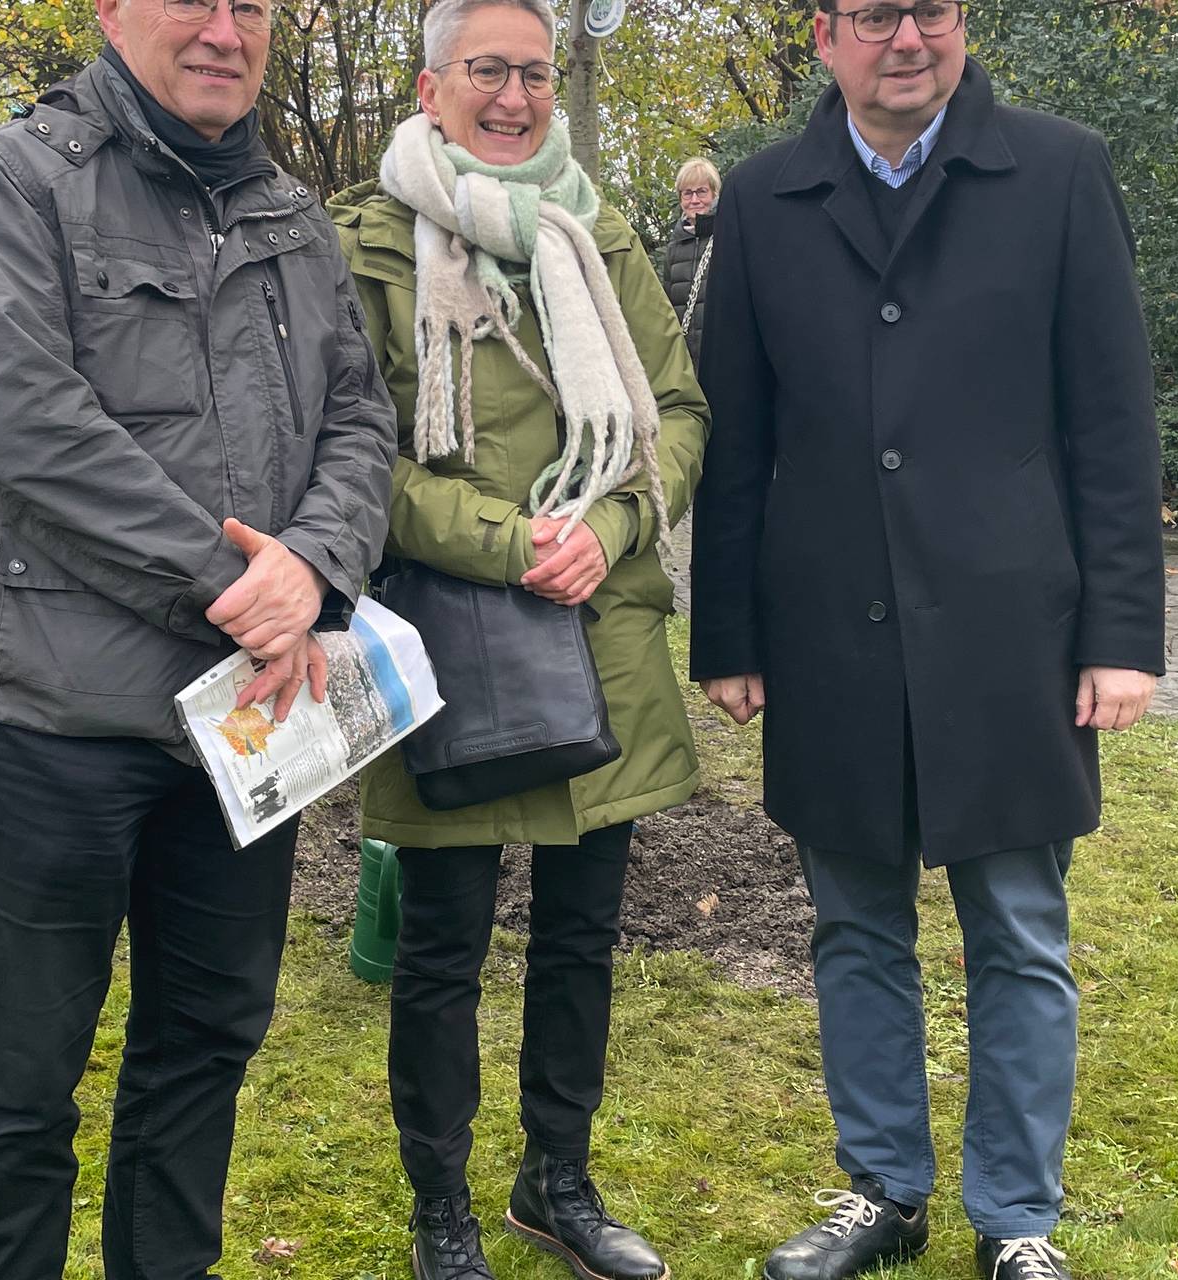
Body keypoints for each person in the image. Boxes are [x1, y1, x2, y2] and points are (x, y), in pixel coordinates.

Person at [687, 0, 1164, 1275]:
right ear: (822, 36)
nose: (907, 36)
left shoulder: (1059, 170)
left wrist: (1122, 631)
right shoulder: (763, 195)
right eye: (872, 14)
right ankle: (883, 1191)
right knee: (853, 926)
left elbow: (1113, 422)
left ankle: (1015, 1219)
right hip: (829, 626)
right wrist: (726, 628)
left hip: (1013, 630)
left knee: (1017, 928)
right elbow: (735, 432)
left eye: (931, 9)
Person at [0, 0, 399, 1267]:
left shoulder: (294, 216)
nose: (224, 27)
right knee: (25, 1083)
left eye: (252, 5)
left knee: (201, 1052)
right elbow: (20, 418)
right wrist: (230, 580)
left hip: (244, 721)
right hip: (44, 717)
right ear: (111, 12)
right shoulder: (16, 179)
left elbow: (359, 416)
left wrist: (316, 564)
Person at [331, 3, 709, 1276]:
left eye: (533, 71)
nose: (512, 95)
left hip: (600, 633)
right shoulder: (372, 242)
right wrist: (512, 541)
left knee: (580, 934)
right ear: (430, 86)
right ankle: (439, 1208)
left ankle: (557, 1179)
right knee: (439, 948)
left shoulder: (596, 227)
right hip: (459, 643)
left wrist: (607, 521)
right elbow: (352, 458)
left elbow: (677, 407)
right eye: (484, 70)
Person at [659, 157, 722, 358]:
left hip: (720, 352)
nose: (694, 200)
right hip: (685, 355)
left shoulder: (727, 238)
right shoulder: (674, 249)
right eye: (688, 193)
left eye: (702, 191)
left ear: (714, 194)